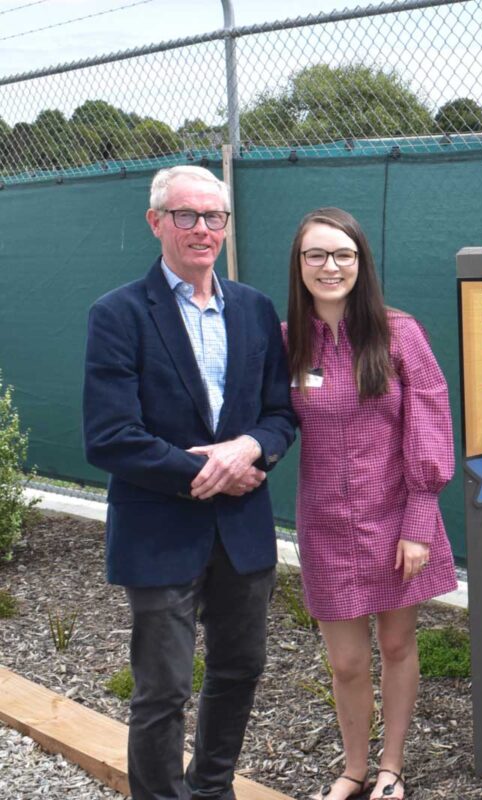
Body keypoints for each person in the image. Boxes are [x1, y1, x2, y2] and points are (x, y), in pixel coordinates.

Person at [83, 165, 296, 800]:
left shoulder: (256, 310)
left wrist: (251, 448)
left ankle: (211, 790)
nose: (202, 229)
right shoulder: (117, 314)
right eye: (186, 216)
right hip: (159, 531)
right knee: (162, 691)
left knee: (239, 670)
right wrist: (212, 470)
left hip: (243, 534)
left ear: (227, 228)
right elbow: (109, 435)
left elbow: (281, 413)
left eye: (214, 218)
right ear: (156, 222)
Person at [284, 208, 457, 800]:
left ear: (361, 262)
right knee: (348, 662)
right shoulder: (287, 341)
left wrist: (419, 524)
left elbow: (429, 425)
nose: (330, 267)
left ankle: (391, 767)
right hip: (325, 527)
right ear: (299, 265)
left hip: (398, 521)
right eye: (316, 256)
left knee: (397, 645)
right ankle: (353, 770)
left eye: (343, 255)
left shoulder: (398, 332)